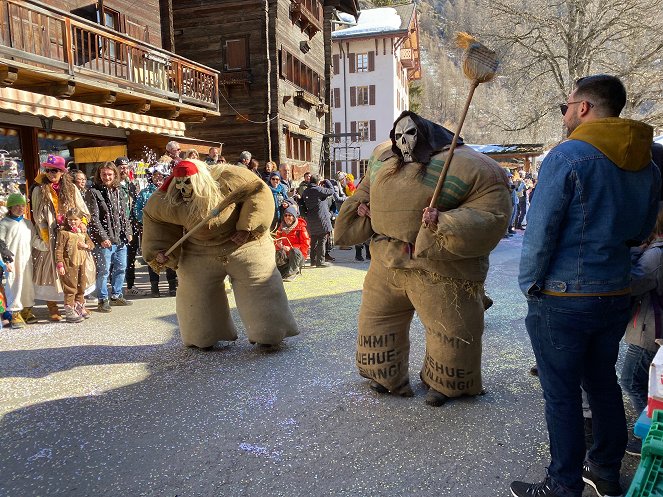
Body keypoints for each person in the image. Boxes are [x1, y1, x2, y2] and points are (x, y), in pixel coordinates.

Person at [512, 75, 661, 497]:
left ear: (582, 108)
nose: (564, 115)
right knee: (602, 383)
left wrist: (530, 285)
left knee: (561, 395)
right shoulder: (645, 162)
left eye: (566, 106)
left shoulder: (569, 156)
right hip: (614, 292)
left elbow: (539, 233)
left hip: (564, 297)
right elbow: (642, 230)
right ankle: (606, 471)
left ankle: (563, 485)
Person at [335, 110, 512, 403]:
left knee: (451, 327)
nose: (403, 142)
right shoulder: (382, 159)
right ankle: (384, 373)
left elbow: (491, 214)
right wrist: (363, 209)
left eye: (410, 134)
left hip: (439, 268)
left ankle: (447, 384)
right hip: (386, 261)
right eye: (398, 135)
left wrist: (444, 221)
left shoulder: (475, 167)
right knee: (378, 320)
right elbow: (363, 195)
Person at [141, 159, 298, 349]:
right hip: (199, 250)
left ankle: (269, 333)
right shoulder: (167, 199)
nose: (184, 188)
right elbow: (154, 219)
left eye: (188, 183)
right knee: (195, 295)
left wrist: (247, 227)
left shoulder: (230, 178)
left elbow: (259, 192)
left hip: (245, 245)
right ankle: (204, 337)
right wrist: (160, 250)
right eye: (180, 183)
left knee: (261, 288)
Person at [619, 207, 663, 456]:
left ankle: (652, 434)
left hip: (649, 327)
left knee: (631, 380)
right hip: (654, 324)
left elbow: (632, 284)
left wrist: (634, 252)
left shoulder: (655, 255)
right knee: (647, 381)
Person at [31, 155, 90, 321]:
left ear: (62, 172)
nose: (51, 173)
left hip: (71, 236)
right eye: (48, 170)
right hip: (49, 237)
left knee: (76, 270)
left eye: (54, 170)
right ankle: (52, 307)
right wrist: (44, 238)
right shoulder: (38, 189)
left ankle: (78, 303)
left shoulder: (71, 188)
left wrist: (82, 224)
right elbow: (38, 217)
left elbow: (83, 210)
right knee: (50, 273)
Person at [85, 162, 133, 312]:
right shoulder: (93, 192)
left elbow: (124, 214)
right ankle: (102, 299)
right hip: (104, 240)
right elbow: (94, 218)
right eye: (104, 174)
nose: (107, 177)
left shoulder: (119, 190)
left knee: (121, 268)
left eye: (110, 174)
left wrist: (129, 231)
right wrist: (102, 237)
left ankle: (116, 295)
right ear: (99, 175)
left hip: (120, 238)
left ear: (115, 175)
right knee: (103, 271)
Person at [133, 164, 177, 297]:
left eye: (161, 176)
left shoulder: (170, 192)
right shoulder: (145, 193)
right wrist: (148, 221)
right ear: (151, 177)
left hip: (168, 228)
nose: (158, 178)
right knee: (153, 256)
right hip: (150, 230)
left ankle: (172, 285)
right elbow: (137, 211)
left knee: (170, 254)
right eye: (155, 175)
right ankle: (154, 287)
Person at [0, 193, 43, 327]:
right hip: (11, 262)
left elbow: (34, 240)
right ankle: (14, 312)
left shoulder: (28, 223)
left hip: (26, 261)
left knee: (27, 286)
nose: (20, 208)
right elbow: (0, 243)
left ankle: (26, 309)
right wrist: (3, 262)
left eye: (22, 206)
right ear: (10, 208)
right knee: (13, 286)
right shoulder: (4, 223)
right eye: (16, 206)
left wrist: (47, 245)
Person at [55, 208, 95, 323]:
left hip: (81, 262)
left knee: (81, 285)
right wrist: (60, 264)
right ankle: (69, 309)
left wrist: (86, 246)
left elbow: (91, 244)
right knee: (70, 287)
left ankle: (79, 305)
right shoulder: (63, 233)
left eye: (75, 220)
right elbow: (59, 250)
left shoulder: (82, 232)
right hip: (69, 263)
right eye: (70, 219)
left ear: (80, 220)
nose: (73, 222)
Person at [301, 175, 334, 267]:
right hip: (321, 219)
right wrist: (327, 181)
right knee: (322, 240)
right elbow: (331, 191)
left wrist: (306, 215)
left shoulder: (305, 191)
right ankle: (320, 262)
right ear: (318, 182)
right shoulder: (318, 190)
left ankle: (313, 261)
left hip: (311, 219)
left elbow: (302, 204)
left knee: (314, 240)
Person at [274, 204, 310, 281]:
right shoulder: (281, 227)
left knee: (294, 251)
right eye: (286, 215)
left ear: (294, 217)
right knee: (279, 252)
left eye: (290, 215)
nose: (287, 218)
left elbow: (305, 244)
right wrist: (279, 245)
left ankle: (292, 272)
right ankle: (282, 272)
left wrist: (290, 248)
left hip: (298, 256)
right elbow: (277, 240)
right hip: (286, 255)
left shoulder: (301, 227)